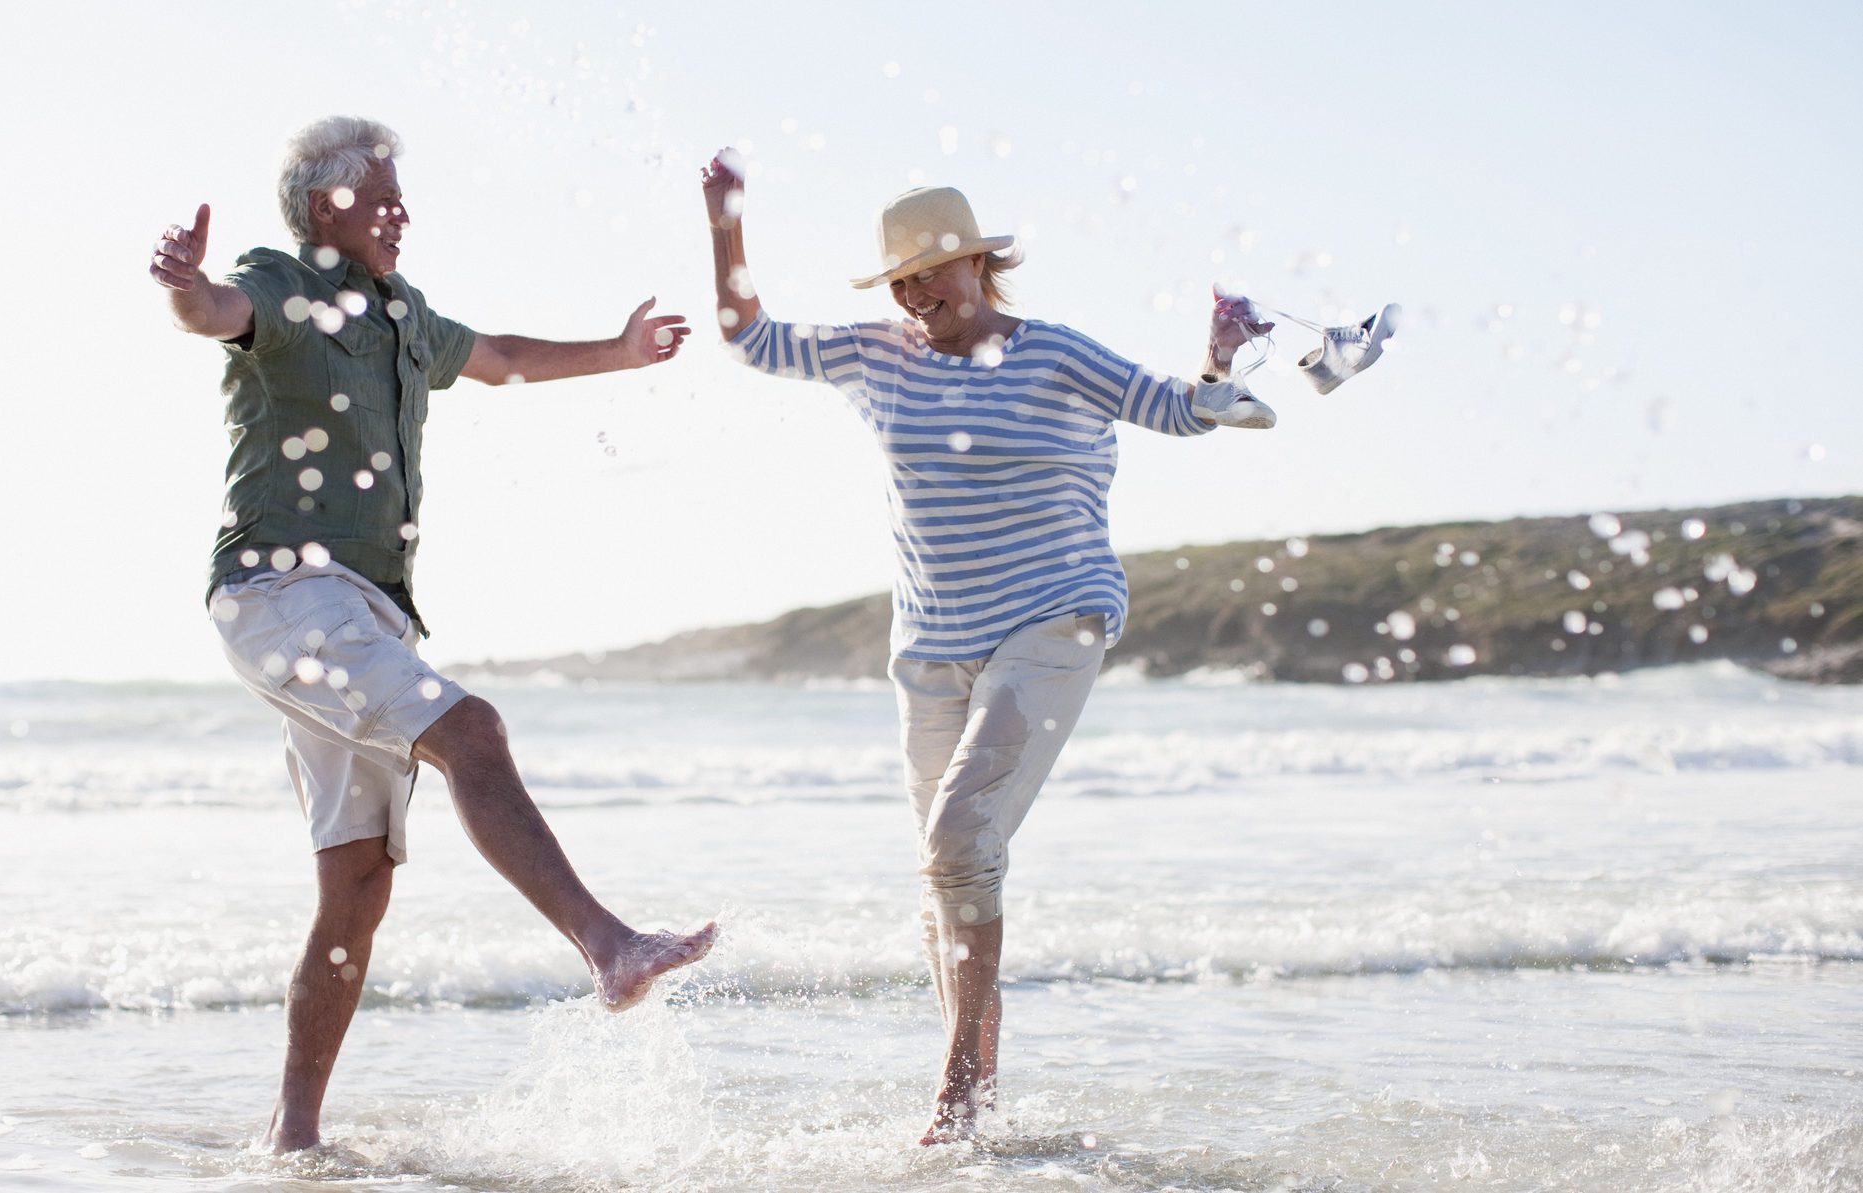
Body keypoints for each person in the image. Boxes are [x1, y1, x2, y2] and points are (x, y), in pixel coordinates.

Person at [148, 115, 717, 1153]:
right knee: (474, 730)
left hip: (365, 609)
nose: (401, 210)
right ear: (326, 206)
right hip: (281, 591)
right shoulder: (276, 284)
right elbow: (215, 310)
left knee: (358, 881)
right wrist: (183, 285)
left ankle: (294, 1134)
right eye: (381, 194)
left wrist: (621, 352)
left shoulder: (403, 314)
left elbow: (497, 355)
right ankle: (609, 944)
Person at [698, 151, 1270, 1144]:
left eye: (935, 271)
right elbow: (748, 336)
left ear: (978, 266)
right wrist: (726, 221)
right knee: (947, 872)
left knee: (958, 840)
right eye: (903, 278)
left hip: (1055, 616)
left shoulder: (1053, 353)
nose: (919, 293)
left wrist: (1217, 355)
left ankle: (959, 1091)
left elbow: (1181, 409)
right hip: (929, 648)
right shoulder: (873, 353)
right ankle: (980, 1090)